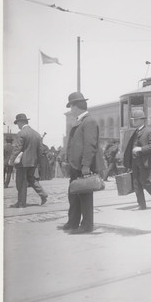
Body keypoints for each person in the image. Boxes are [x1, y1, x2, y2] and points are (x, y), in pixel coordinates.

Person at [63, 93, 102, 233]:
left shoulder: (89, 121)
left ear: (76, 106)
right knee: (73, 194)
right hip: (76, 165)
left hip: (83, 166)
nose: (70, 110)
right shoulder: (81, 121)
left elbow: (90, 145)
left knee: (85, 196)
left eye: (71, 107)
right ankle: (73, 222)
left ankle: (86, 225)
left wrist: (86, 165)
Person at [123, 109, 151, 210]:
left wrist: (140, 149)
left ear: (141, 120)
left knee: (144, 181)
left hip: (145, 162)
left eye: (135, 120)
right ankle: (141, 204)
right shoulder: (135, 132)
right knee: (136, 183)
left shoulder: (149, 131)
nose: (133, 121)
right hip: (135, 162)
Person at [8, 113, 48, 207]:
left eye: (17, 123)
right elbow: (40, 150)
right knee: (31, 179)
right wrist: (37, 161)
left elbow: (17, 148)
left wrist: (11, 160)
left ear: (21, 122)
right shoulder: (37, 134)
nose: (17, 125)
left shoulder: (21, 133)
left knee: (21, 182)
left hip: (22, 162)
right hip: (33, 162)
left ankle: (21, 203)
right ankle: (43, 194)